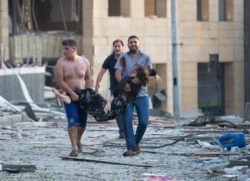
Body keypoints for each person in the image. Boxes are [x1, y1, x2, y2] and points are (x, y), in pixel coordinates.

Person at [54, 67, 157, 122]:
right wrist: (108, 103)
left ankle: (69, 96)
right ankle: (68, 95)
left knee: (98, 114)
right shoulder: (127, 79)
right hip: (110, 104)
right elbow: (116, 91)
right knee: (91, 92)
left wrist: (157, 76)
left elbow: (151, 73)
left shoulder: (140, 84)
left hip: (116, 109)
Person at [115, 35, 162, 156]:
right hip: (127, 95)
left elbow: (150, 73)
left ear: (139, 44)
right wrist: (124, 84)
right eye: (130, 42)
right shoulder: (123, 57)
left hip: (142, 94)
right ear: (128, 44)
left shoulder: (146, 57)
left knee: (144, 121)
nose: (133, 44)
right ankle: (131, 148)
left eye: (135, 42)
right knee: (127, 121)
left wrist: (152, 77)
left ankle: (135, 142)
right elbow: (118, 73)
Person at [55, 39, 92, 157]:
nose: (64, 51)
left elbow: (87, 78)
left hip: (82, 94)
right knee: (72, 120)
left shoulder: (85, 61)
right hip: (68, 95)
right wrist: (71, 93)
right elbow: (60, 81)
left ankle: (78, 140)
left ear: (74, 49)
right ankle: (74, 147)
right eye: (63, 49)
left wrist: (89, 93)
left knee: (82, 122)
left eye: (66, 49)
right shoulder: (61, 63)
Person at [95, 39, 125, 138]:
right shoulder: (109, 59)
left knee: (126, 109)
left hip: (127, 88)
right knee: (117, 110)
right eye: (115, 46)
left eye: (119, 46)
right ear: (113, 48)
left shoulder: (127, 57)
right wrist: (97, 83)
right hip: (115, 88)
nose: (117, 48)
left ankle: (127, 129)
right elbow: (101, 72)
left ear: (122, 47)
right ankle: (122, 131)